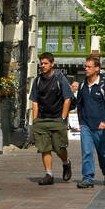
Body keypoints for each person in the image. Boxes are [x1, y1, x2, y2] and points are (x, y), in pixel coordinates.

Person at [30, 51, 73, 185]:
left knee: (59, 147)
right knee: (44, 148)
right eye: (41, 63)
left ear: (52, 64)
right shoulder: (37, 81)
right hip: (42, 119)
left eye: (45, 63)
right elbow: (35, 101)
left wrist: (63, 117)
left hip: (56, 118)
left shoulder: (60, 79)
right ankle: (49, 174)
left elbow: (67, 99)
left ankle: (66, 163)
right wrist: (35, 120)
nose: (42, 66)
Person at [75, 51, 105, 188]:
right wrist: (81, 121)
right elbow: (79, 104)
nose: (86, 69)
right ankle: (88, 178)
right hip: (86, 124)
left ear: (97, 68)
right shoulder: (82, 86)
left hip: (100, 125)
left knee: (102, 152)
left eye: (89, 66)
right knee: (86, 152)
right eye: (85, 66)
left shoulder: (104, 86)